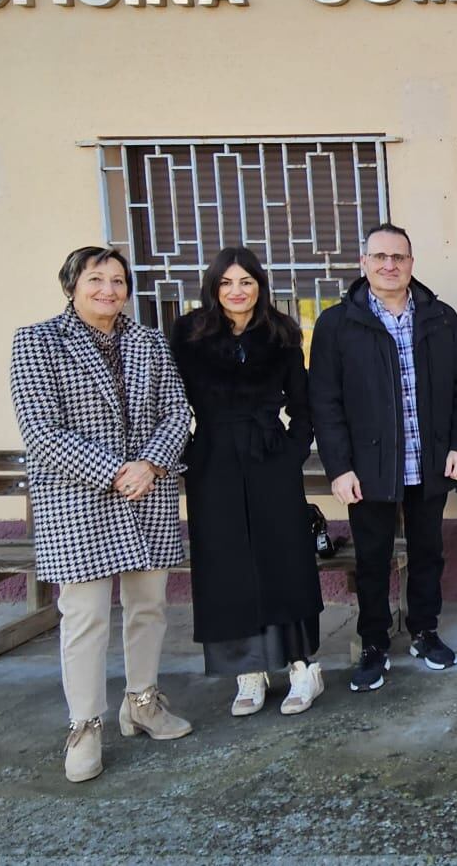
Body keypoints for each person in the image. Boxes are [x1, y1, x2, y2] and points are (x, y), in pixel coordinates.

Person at [10, 246, 194, 783]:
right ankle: (85, 725)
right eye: (96, 279)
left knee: (148, 607)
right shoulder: (37, 341)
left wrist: (152, 465)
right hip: (78, 498)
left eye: (118, 280)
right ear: (71, 284)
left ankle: (142, 703)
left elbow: (177, 411)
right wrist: (117, 470)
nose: (108, 290)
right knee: (85, 617)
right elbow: (41, 431)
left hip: (148, 494)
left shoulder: (150, 342)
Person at [310, 223, 457, 692]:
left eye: (399, 257)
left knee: (428, 552)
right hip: (368, 468)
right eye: (380, 256)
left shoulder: (441, 318)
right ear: (363, 262)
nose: (390, 265)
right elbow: (324, 402)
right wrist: (339, 467)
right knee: (372, 557)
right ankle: (373, 644)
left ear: (412, 264)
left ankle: (425, 631)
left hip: (428, 461)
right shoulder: (337, 323)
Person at [170, 247, 325, 718]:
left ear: (259, 286)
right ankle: (248, 672)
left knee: (285, 558)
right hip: (213, 459)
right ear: (213, 289)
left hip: (269, 458)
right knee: (226, 564)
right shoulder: (189, 333)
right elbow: (171, 398)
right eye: (226, 283)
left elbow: (303, 403)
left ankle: (302, 667)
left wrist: (293, 452)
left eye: (246, 282)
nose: (237, 291)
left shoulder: (280, 332)